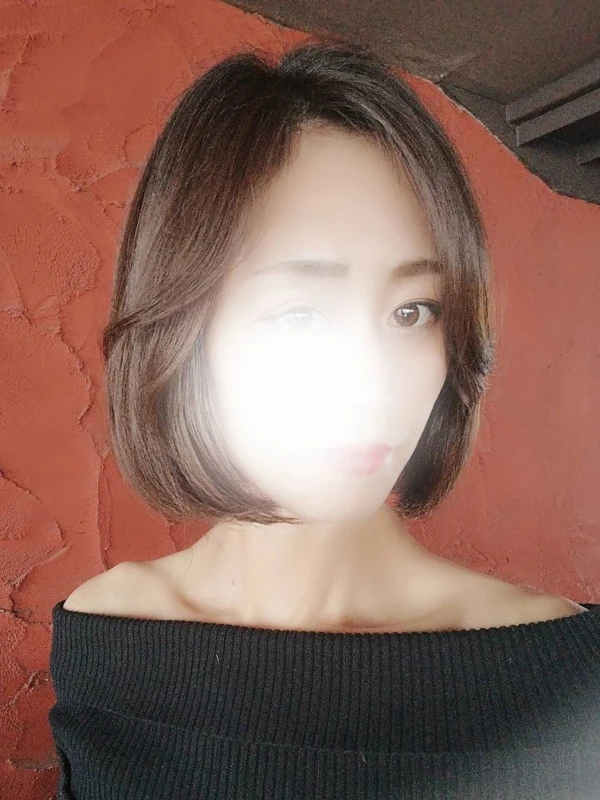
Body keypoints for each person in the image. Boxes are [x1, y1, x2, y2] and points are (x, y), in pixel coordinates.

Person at [47, 38, 600, 800]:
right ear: (182, 333)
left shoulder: (564, 682)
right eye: (302, 314)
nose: (373, 382)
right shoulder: (103, 639)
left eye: (413, 311)